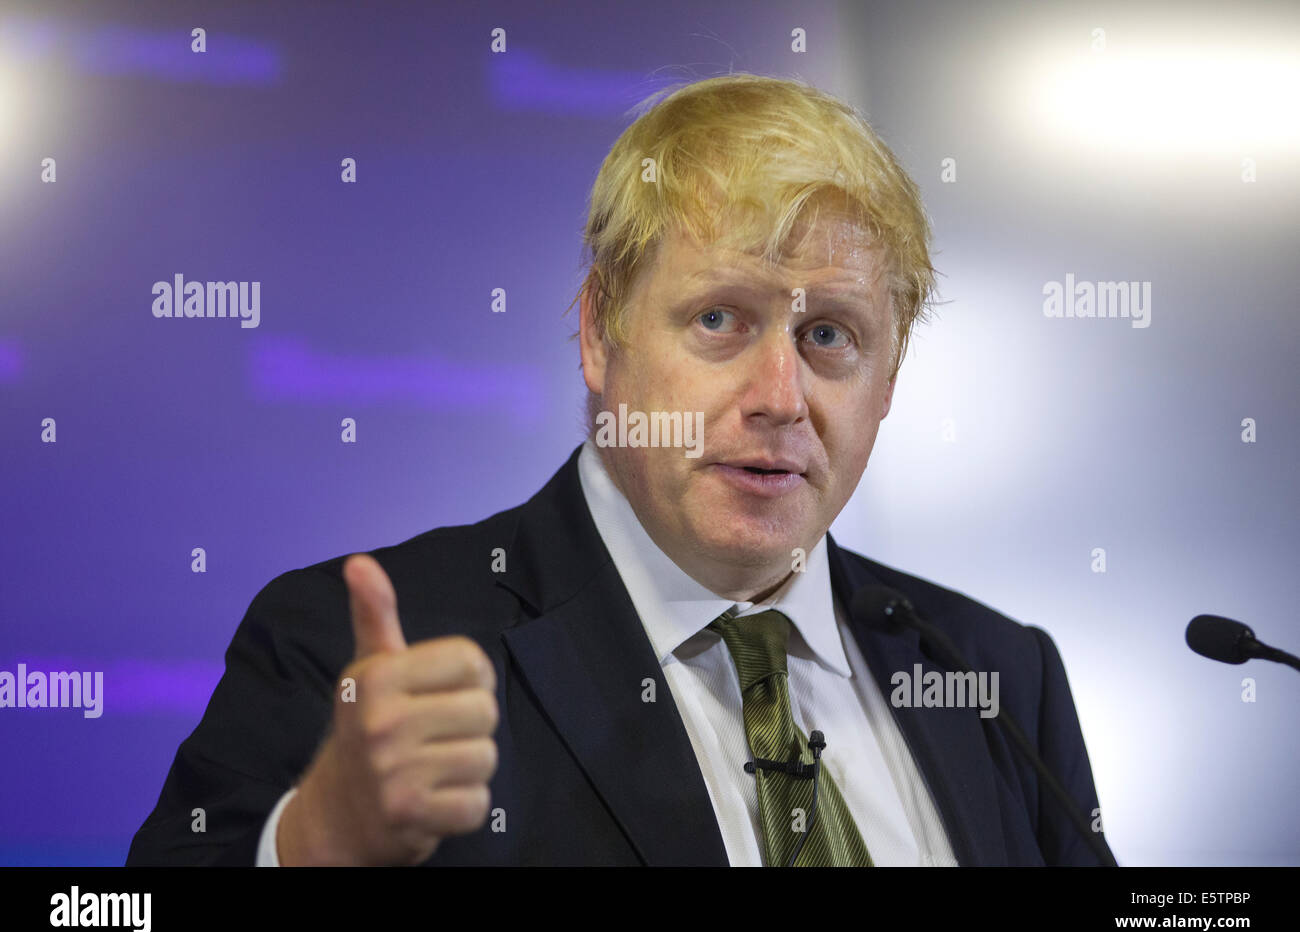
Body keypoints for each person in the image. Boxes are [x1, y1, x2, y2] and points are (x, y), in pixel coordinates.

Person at [126, 72, 1110, 867]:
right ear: (600, 331)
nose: (779, 393)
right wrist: (316, 845)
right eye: (719, 318)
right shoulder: (347, 647)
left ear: (887, 378)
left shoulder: (995, 675)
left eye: (827, 334)